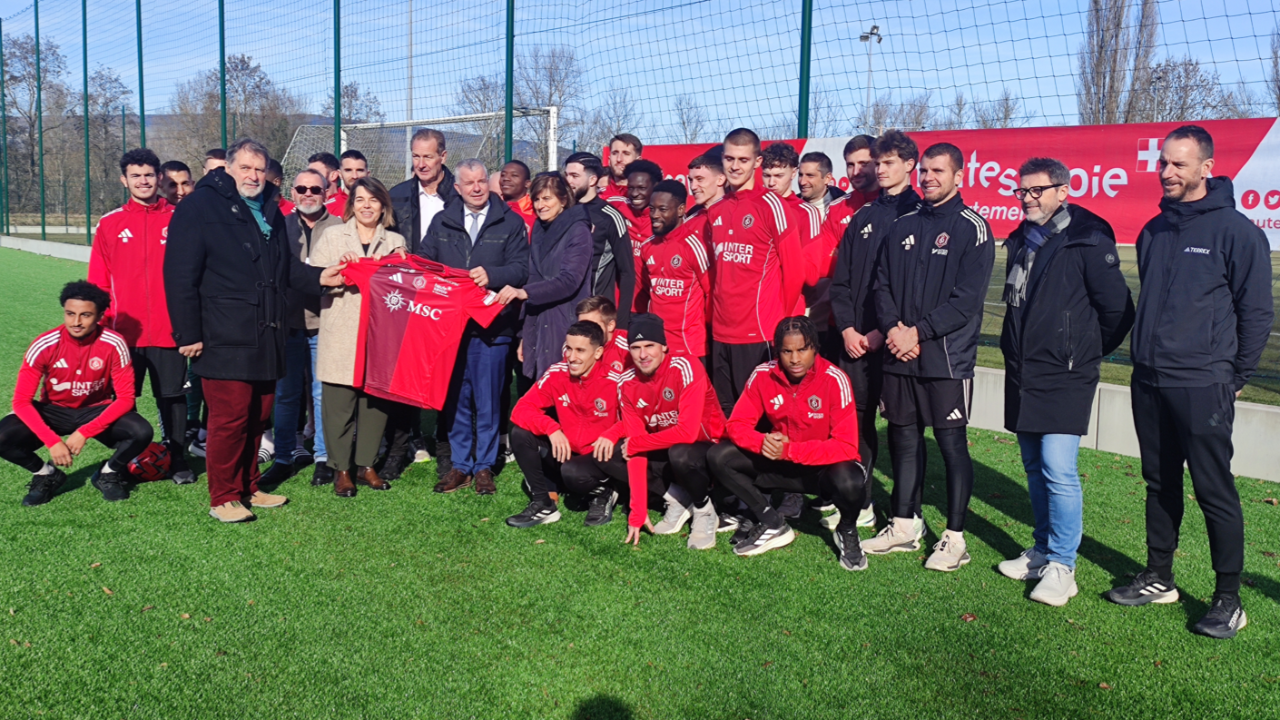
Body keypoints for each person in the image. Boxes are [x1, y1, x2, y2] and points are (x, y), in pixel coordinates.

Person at [1106, 125, 1273, 639]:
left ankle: (1229, 597)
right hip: (1149, 379)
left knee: (1213, 489)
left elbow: (1257, 314)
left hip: (1203, 382)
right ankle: (1160, 576)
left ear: (1206, 167)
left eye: (1178, 164)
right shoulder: (1155, 229)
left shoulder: (1238, 232)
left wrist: (1235, 375)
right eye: (1163, 162)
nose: (1166, 172)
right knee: (1159, 483)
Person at [165, 138, 347, 523]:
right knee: (229, 417)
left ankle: (249, 486)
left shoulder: (269, 207)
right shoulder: (199, 206)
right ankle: (223, 496)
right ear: (228, 168)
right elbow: (180, 275)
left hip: (267, 332)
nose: (253, 175)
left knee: (256, 415)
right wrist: (188, 333)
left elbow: (284, 268)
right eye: (245, 168)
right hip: (223, 333)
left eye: (259, 169)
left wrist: (320, 277)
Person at [993, 157, 1134, 607]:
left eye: (1037, 191)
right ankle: (1040, 551)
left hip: (1066, 372)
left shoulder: (1089, 237)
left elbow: (1118, 312)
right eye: (1023, 191)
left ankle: (1062, 566)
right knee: (1034, 467)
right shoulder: (1021, 238)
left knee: (1058, 469)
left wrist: (1081, 350)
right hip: (1024, 369)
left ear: (1062, 191)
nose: (1028, 199)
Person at [862, 142, 995, 572]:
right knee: (902, 436)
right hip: (900, 353)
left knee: (952, 444)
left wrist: (916, 332)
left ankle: (955, 538)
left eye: (938, 171)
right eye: (924, 172)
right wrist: (896, 331)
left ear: (959, 176)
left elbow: (967, 301)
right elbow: (881, 287)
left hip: (946, 358)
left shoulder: (973, 228)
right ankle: (905, 525)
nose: (929, 178)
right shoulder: (904, 223)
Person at [709, 316, 868, 567]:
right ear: (778, 351)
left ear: (815, 348)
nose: (795, 359)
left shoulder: (835, 379)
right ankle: (772, 522)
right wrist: (763, 442)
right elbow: (736, 425)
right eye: (787, 351)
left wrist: (790, 450)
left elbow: (846, 446)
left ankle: (847, 530)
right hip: (779, 463)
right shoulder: (763, 374)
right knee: (719, 456)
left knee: (851, 479)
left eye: (802, 349)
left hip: (819, 470)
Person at [416, 158, 529, 496]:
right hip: (450, 328)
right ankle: (461, 465)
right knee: (456, 398)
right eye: (470, 183)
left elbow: (522, 268)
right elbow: (425, 263)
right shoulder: (442, 221)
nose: (477, 188)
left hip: (493, 327)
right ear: (458, 187)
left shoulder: (510, 222)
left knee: (489, 398)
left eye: (482, 181)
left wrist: (492, 276)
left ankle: (484, 466)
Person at [829, 130, 920, 530]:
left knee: (904, 430)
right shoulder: (863, 216)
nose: (879, 171)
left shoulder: (921, 213)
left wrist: (888, 330)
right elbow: (842, 281)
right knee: (857, 422)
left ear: (909, 166)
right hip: (857, 342)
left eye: (886, 163)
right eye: (875, 163)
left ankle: (906, 513)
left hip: (898, 341)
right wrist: (848, 328)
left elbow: (916, 287)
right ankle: (861, 501)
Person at [88, 148, 195, 485]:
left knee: (173, 398)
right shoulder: (110, 223)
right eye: (136, 176)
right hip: (125, 335)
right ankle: (124, 461)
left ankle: (178, 459)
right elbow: (98, 281)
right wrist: (100, 330)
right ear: (124, 180)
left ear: (159, 178)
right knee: (123, 402)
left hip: (169, 331)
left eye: (149, 175)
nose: (143, 181)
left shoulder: (180, 218)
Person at [1, 281, 153, 505]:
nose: (76, 322)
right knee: (2, 437)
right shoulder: (44, 344)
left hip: (94, 410)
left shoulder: (114, 343)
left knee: (141, 431)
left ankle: (108, 473)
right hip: (53, 410)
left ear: (100, 315)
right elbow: (21, 402)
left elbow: (125, 399)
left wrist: (85, 432)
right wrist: (52, 441)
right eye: (70, 314)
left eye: (85, 315)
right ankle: (45, 475)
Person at [310, 177, 407, 497]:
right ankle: (341, 469)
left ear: (383, 207)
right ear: (351, 204)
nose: (367, 205)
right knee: (338, 404)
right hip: (341, 331)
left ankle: (366, 466)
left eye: (374, 200)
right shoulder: (332, 236)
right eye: (360, 199)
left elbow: (405, 290)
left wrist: (402, 266)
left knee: (375, 404)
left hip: (381, 336)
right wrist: (341, 272)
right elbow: (314, 281)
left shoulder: (395, 242)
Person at [708, 128, 803, 418]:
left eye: (743, 159)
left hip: (758, 332)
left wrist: (779, 324)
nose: (735, 166)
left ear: (757, 162)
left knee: (760, 418)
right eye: (729, 158)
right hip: (721, 333)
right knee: (726, 414)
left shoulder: (772, 205)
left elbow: (795, 272)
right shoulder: (716, 210)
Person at [259, 169, 344, 488]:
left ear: (327, 193)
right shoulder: (278, 226)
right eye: (302, 189)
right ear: (292, 192)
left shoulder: (339, 227)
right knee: (286, 394)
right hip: (287, 323)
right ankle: (283, 457)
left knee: (323, 394)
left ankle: (323, 457)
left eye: (316, 189)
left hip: (326, 323)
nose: (309, 194)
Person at [506, 320, 624, 528]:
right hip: (567, 451)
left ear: (597, 353)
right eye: (568, 348)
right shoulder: (556, 373)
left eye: (580, 350)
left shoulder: (616, 381)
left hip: (601, 455)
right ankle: (543, 505)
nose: (572, 356)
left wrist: (612, 434)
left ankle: (605, 491)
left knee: (573, 474)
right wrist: (551, 428)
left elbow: (633, 421)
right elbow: (521, 410)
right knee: (520, 434)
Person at [387, 128, 457, 469]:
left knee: (445, 372)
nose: (421, 163)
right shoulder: (397, 195)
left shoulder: (460, 195)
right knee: (405, 372)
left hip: (447, 298)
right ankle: (403, 444)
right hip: (408, 295)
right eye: (416, 156)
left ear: (443, 156)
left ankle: (445, 446)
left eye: (428, 156)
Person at [498, 174, 593, 382]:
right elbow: (534, 277)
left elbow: (570, 281)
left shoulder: (579, 230)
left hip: (565, 323)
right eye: (537, 199)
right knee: (538, 394)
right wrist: (525, 335)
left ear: (563, 200)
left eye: (547, 199)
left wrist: (525, 293)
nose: (540, 205)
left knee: (563, 389)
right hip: (537, 324)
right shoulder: (540, 229)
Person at [634, 180, 711, 361]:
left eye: (662, 209)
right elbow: (643, 292)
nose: (654, 215)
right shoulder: (647, 247)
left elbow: (711, 293)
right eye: (652, 209)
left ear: (681, 210)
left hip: (690, 345)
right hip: (657, 345)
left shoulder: (695, 246)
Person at [562, 152, 633, 329]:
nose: (568, 181)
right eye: (567, 175)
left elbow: (627, 272)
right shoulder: (561, 213)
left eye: (575, 176)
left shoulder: (610, 217)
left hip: (594, 313)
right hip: (562, 309)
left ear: (592, 180)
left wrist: (621, 324)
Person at [610, 159, 662, 301]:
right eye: (631, 188)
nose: (634, 193)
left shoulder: (666, 219)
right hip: (618, 302)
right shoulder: (615, 207)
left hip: (651, 303)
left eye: (642, 188)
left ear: (656, 187)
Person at [576, 295, 632, 374]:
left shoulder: (628, 346)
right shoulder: (573, 345)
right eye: (582, 325)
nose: (586, 331)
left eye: (593, 325)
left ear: (610, 326)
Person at [685, 148, 727, 221]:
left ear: (720, 180)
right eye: (691, 180)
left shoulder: (738, 213)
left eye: (700, 179)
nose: (693, 187)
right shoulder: (690, 220)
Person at [603, 133, 643, 201]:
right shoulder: (598, 196)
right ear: (609, 159)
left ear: (638, 161)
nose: (619, 159)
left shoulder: (649, 198)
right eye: (615, 153)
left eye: (626, 153)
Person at [500, 160, 535, 233]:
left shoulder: (537, 211)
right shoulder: (492, 209)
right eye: (503, 175)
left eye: (514, 175)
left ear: (527, 183)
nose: (506, 178)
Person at [308, 152, 346, 216]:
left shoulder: (347, 205)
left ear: (333, 175)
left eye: (316, 173)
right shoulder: (304, 204)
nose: (310, 177)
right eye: (309, 173)